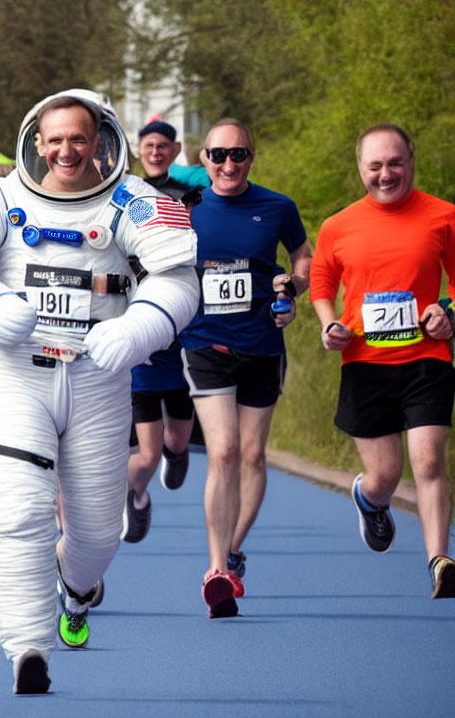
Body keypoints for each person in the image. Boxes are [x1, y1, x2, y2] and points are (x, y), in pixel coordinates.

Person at [0, 89, 199, 694]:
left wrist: (135, 329)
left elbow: (178, 282)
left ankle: (77, 589)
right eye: (55, 139)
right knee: (16, 508)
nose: (66, 150)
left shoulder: (137, 202)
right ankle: (29, 649)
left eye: (78, 138)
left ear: (100, 139)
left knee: (98, 531)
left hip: (99, 379)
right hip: (17, 374)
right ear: (36, 140)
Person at [310, 122, 455, 599]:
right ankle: (369, 500)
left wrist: (447, 311)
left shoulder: (443, 216)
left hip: (426, 359)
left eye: (395, 163)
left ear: (411, 162)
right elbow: (321, 281)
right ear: (361, 169)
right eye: (376, 166)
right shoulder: (339, 225)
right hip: (365, 364)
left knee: (429, 460)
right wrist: (330, 323)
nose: (386, 174)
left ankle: (440, 559)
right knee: (386, 476)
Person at [179, 118, 312, 618]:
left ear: (252, 156)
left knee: (254, 456)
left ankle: (233, 552)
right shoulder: (185, 211)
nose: (228, 164)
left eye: (238, 154)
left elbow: (302, 256)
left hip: (262, 344)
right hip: (205, 344)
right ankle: (216, 570)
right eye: (218, 155)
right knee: (225, 451)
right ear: (204, 158)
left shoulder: (277, 207)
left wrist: (292, 289)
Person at [123, 120, 204, 543]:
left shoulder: (194, 193)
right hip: (144, 324)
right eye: (148, 146)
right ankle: (132, 495)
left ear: (174, 150)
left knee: (178, 440)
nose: (155, 152)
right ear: (139, 149)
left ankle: (178, 452)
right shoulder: (126, 194)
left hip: (183, 325)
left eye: (163, 146)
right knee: (148, 452)